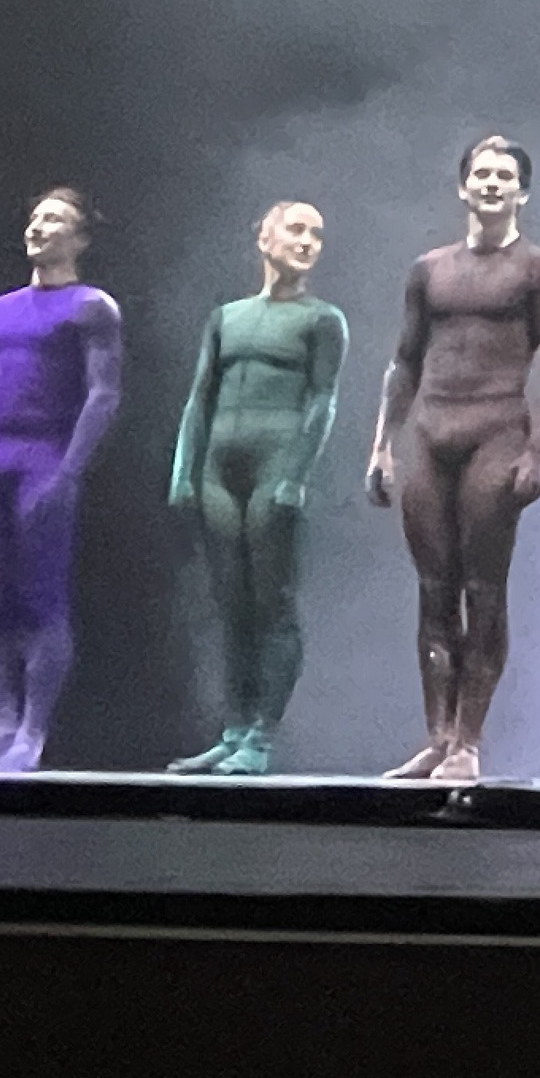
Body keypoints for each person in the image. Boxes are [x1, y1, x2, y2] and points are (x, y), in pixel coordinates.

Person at [365, 135, 540, 784]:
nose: (490, 183)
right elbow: (405, 360)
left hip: (496, 432)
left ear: (521, 192)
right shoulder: (429, 269)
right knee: (434, 590)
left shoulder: (538, 269)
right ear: (462, 187)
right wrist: (381, 443)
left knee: (483, 587)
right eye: (481, 174)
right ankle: (437, 736)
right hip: (431, 433)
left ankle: (468, 740)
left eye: (503, 175)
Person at [0, 187, 124, 773]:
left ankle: (33, 732)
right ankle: (0, 727)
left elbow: (103, 394)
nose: (39, 227)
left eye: (55, 219)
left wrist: (68, 472)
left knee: (41, 596)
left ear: (81, 238)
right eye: (36, 217)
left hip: (41, 458)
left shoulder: (92, 307)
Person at [167, 201, 347, 777]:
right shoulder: (227, 317)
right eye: (296, 229)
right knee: (231, 604)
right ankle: (234, 729)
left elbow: (323, 401)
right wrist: (183, 470)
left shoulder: (322, 320)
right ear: (265, 238)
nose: (307, 241)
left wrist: (295, 475)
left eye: (316, 234)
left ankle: (262, 737)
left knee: (272, 603)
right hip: (219, 469)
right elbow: (199, 396)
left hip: (275, 464)